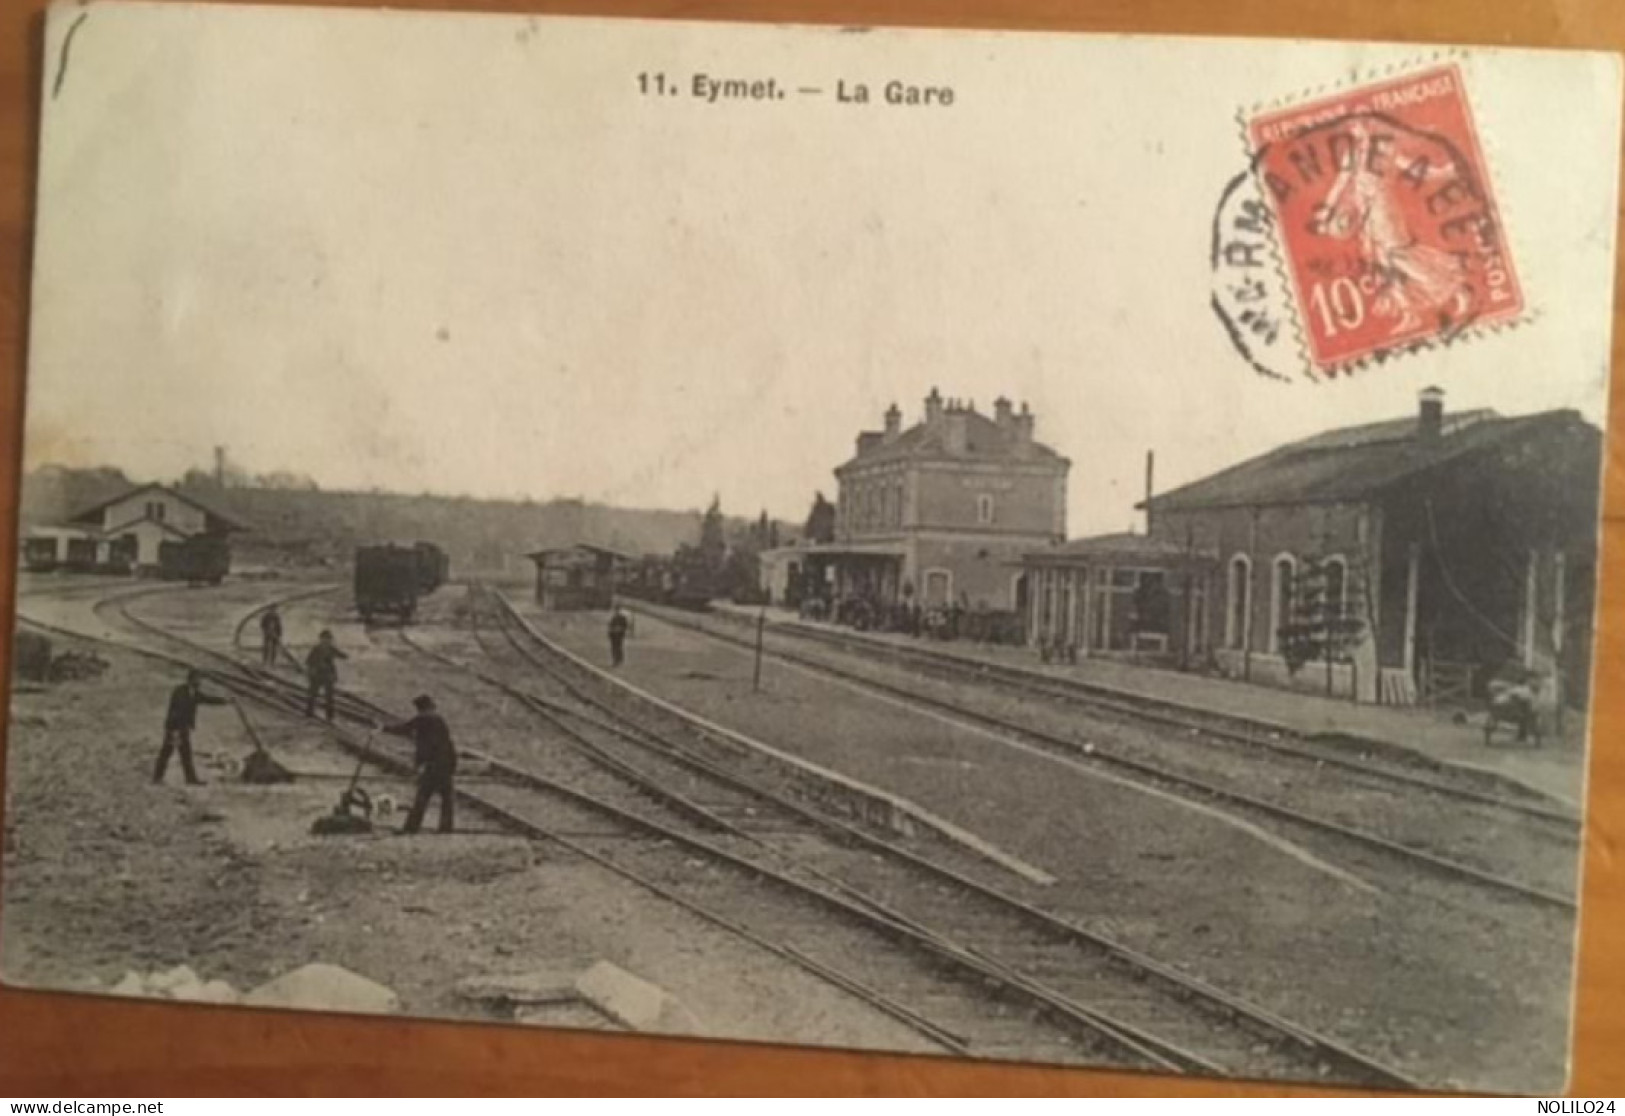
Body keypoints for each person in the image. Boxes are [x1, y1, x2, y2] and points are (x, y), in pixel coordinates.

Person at [380, 694, 457, 834]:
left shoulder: (422, 719)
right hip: (445, 764)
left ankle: (411, 828)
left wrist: (383, 728)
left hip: (431, 765)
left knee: (422, 797)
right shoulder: (440, 720)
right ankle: (446, 828)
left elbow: (404, 729)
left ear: (420, 708)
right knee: (447, 798)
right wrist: (452, 764)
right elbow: (449, 744)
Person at [154, 670, 227, 785]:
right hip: (175, 728)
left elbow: (208, 699)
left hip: (183, 729)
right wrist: (174, 731)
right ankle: (157, 778)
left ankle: (190, 779)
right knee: (167, 753)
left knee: (185, 754)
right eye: (198, 679)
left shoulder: (194, 692)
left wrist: (225, 701)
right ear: (191, 679)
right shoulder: (179, 691)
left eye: (200, 679)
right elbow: (175, 711)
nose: (200, 682)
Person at [304, 629, 348, 722]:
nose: (327, 641)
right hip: (317, 675)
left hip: (328, 675)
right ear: (321, 639)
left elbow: (341, 655)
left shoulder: (331, 648)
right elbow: (308, 662)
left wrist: (345, 655)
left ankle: (329, 716)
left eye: (328, 639)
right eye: (325, 639)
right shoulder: (316, 649)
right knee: (312, 694)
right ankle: (309, 713)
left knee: (329, 697)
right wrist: (311, 672)